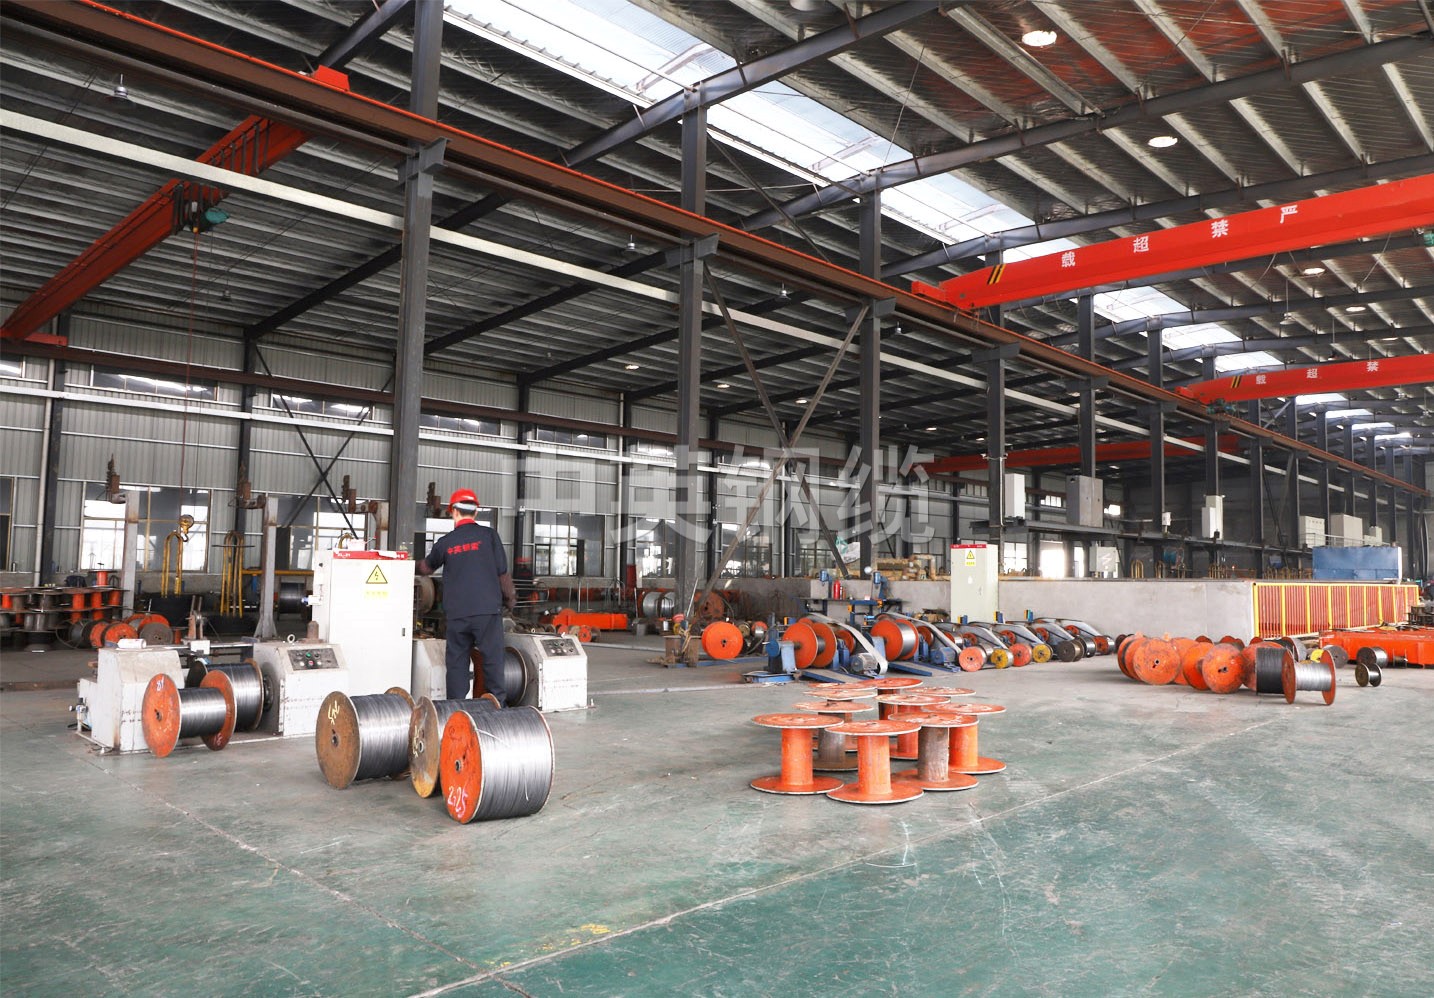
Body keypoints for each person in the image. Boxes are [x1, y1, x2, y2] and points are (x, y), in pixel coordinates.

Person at [416, 488, 517, 703]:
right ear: (476, 512)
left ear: (454, 512)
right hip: (487, 612)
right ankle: (497, 709)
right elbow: (502, 573)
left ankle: (456, 709)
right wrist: (510, 600)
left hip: (457, 614)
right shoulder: (489, 536)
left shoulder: (446, 542)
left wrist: (404, 563)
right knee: (493, 661)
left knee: (457, 664)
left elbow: (425, 568)